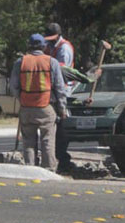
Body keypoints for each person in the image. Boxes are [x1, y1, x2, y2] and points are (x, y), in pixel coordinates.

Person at [9, 34, 69, 170]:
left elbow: (13, 86)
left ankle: (30, 168)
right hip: (45, 106)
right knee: (47, 140)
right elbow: (60, 88)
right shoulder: (51, 62)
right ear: (44, 46)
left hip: (26, 107)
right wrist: (62, 109)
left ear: (28, 46)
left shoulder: (20, 62)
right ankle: (48, 169)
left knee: (28, 141)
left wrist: (22, 98)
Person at [44, 22, 76, 173]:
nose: (49, 41)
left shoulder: (64, 48)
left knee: (61, 127)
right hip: (51, 91)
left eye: (51, 38)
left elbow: (60, 71)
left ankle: (62, 159)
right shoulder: (49, 46)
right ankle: (54, 157)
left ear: (58, 35)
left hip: (63, 90)